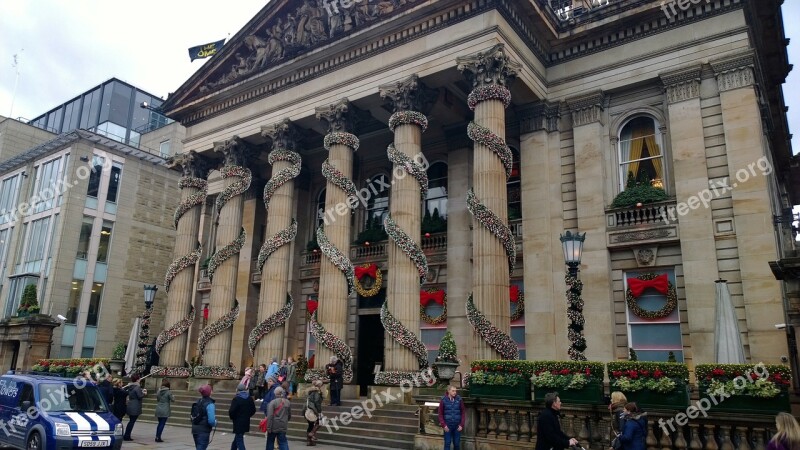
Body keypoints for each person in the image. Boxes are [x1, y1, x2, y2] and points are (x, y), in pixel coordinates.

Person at [228, 383, 256, 450]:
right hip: (246, 421)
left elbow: (232, 411)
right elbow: (253, 410)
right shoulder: (249, 398)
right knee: (237, 438)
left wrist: (233, 417)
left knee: (239, 440)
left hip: (238, 422)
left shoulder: (236, 399)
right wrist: (247, 416)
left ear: (237, 390)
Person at [438, 385, 465, 450]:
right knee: (447, 443)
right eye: (453, 391)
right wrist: (444, 425)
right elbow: (440, 414)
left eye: (455, 391)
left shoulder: (459, 399)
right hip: (447, 426)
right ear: (448, 391)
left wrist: (461, 425)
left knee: (456, 444)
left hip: (457, 426)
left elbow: (463, 413)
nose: (455, 392)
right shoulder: (443, 400)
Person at [192, 384, 217, 450]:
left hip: (195, 429)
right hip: (203, 430)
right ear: (210, 392)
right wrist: (215, 422)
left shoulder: (198, 401)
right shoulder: (210, 404)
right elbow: (211, 420)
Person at [123, 374, 146, 441]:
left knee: (131, 421)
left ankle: (127, 434)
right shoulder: (137, 387)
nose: (140, 380)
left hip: (130, 404)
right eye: (139, 379)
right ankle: (127, 435)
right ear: (137, 379)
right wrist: (144, 393)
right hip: (135, 405)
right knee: (132, 421)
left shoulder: (130, 386)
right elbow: (140, 396)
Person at [304, 380, 323, 446]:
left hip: (308, 410)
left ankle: (309, 441)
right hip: (313, 410)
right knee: (319, 422)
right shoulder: (317, 392)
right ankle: (311, 434)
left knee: (310, 425)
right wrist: (319, 412)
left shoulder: (311, 391)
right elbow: (317, 403)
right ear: (320, 385)